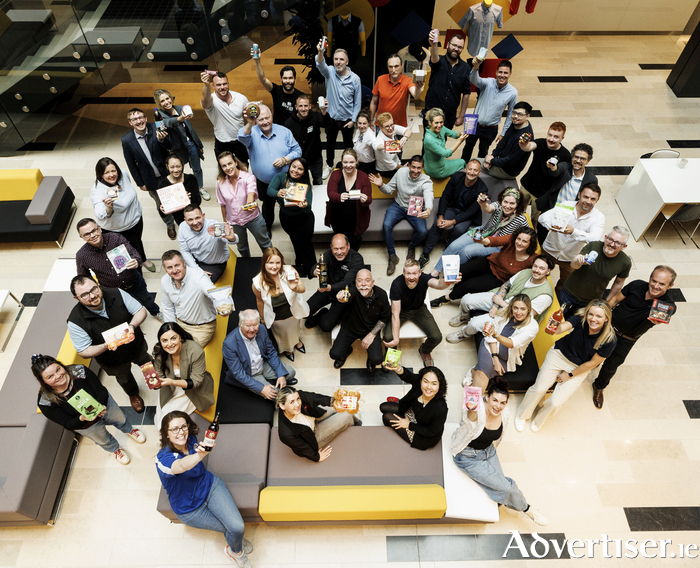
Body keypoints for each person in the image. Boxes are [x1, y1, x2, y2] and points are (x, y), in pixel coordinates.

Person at [155, 411, 254, 567]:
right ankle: (236, 551)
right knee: (232, 529)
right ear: (166, 434)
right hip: (190, 509)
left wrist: (200, 450)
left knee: (237, 527)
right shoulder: (162, 459)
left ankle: (235, 545)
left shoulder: (191, 440)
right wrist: (202, 454)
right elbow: (181, 466)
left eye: (183, 426)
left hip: (210, 486)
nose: (181, 432)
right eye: (174, 429)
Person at [451, 377, 548, 526]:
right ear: (487, 397)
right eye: (495, 400)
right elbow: (470, 418)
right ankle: (529, 510)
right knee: (507, 487)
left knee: (501, 485)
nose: (498, 406)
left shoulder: (505, 413)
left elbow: (497, 436)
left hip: (489, 451)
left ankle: (503, 498)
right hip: (468, 456)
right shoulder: (477, 410)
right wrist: (473, 399)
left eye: (503, 402)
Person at [515, 299, 616, 432]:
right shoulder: (581, 319)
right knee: (539, 388)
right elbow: (561, 329)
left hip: (580, 367)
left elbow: (592, 363)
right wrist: (555, 325)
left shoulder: (609, 339)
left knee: (556, 402)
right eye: (591, 314)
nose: (593, 319)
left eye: (598, 316)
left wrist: (569, 374)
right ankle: (522, 415)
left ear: (606, 319)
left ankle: (539, 419)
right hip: (560, 354)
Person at [32, 354, 146, 465]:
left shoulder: (79, 371)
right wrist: (82, 418)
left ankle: (130, 430)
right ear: (43, 381)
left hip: (104, 405)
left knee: (119, 418)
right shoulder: (45, 402)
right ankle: (115, 449)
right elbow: (67, 423)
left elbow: (100, 390)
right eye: (50, 377)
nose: (58, 376)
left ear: (61, 365)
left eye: (58, 369)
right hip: (85, 424)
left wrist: (99, 406)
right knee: (102, 439)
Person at [591, 266, 677, 409]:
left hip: (627, 339)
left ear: (670, 286)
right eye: (654, 281)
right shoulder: (637, 285)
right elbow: (615, 300)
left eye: (662, 284)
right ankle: (592, 363)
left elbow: (661, 317)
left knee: (612, 366)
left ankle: (599, 386)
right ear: (649, 278)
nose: (656, 286)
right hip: (609, 328)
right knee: (591, 349)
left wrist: (656, 321)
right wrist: (601, 317)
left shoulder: (667, 305)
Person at [67, 275, 150, 413]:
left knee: (147, 363)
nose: (92, 296)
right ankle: (133, 394)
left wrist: (132, 326)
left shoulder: (116, 293)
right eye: (85, 295)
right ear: (77, 298)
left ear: (98, 284)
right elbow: (83, 351)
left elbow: (140, 311)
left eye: (93, 289)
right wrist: (106, 345)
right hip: (112, 359)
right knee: (124, 379)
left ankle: (153, 379)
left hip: (136, 346)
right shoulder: (75, 321)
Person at [447, 256, 555, 341]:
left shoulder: (545, 295)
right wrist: (495, 306)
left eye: (542, 268)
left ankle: (464, 334)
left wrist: (501, 304)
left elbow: (524, 316)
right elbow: (505, 286)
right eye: (535, 266)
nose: (536, 270)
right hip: (502, 299)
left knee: (474, 323)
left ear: (548, 271)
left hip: (510, 317)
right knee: (466, 299)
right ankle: (464, 316)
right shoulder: (526, 272)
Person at [430, 187, 529, 277]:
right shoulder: (498, 205)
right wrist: (483, 204)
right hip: (482, 231)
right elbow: (488, 209)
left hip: (495, 245)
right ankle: (436, 270)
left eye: (512, 203)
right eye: (505, 202)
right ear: (502, 200)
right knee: (453, 246)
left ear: (517, 204)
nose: (507, 206)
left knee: (465, 251)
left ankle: (453, 273)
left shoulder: (521, 219)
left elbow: (528, 235)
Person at [435, 226, 538, 310]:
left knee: (469, 285)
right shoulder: (511, 240)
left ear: (530, 244)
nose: (519, 243)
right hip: (490, 262)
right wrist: (483, 241)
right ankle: (456, 289)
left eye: (524, 241)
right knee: (462, 270)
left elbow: (542, 269)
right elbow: (495, 241)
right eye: (518, 239)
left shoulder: (532, 260)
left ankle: (446, 298)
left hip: (499, 278)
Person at [75, 218, 160, 317]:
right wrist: (95, 288)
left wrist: (136, 261)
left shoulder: (115, 238)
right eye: (87, 234)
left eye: (94, 230)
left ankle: (156, 313)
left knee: (146, 299)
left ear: (99, 228)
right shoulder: (82, 255)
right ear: (82, 237)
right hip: (113, 291)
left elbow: (134, 253)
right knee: (123, 307)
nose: (92, 235)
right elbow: (83, 278)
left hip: (134, 281)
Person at [239, 104, 302, 234]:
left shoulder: (284, 131)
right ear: (256, 120)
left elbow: (297, 150)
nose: (265, 122)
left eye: (267, 118)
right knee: (268, 206)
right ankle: (267, 226)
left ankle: (292, 225)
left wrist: (285, 159)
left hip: (285, 179)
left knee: (289, 202)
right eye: (260, 120)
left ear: (272, 116)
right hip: (264, 181)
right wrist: (250, 123)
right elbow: (241, 137)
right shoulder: (251, 133)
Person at [384, 259, 457, 367]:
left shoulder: (424, 278)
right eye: (408, 273)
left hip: (419, 310)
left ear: (419, 273)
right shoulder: (396, 284)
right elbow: (395, 314)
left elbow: (438, 284)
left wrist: (448, 281)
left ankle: (424, 350)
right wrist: (395, 339)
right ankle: (391, 357)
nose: (411, 277)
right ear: (403, 273)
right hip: (402, 311)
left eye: (414, 273)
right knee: (388, 336)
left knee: (436, 337)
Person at [370, 156, 433, 275]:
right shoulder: (400, 172)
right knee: (386, 225)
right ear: (408, 165)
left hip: (415, 206)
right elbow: (389, 190)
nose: (415, 170)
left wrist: (428, 209)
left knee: (423, 231)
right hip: (398, 205)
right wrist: (381, 185)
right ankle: (392, 255)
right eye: (413, 167)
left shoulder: (426, 180)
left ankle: (411, 246)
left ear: (423, 168)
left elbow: (429, 194)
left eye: (419, 168)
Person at [89, 157, 155, 271]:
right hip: (120, 228)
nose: (111, 175)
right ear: (101, 175)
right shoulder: (97, 191)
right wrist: (108, 208)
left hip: (136, 219)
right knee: (130, 250)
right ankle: (137, 270)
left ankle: (143, 259)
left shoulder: (123, 174)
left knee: (138, 240)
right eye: (107, 172)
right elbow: (99, 214)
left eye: (113, 170)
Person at [538, 183, 605, 293]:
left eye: (593, 199)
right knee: (539, 274)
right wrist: (552, 225)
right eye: (586, 197)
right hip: (550, 250)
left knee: (566, 284)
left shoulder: (599, 217)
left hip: (571, 258)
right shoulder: (566, 205)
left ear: (597, 200)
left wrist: (574, 231)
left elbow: (594, 239)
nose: (588, 201)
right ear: (579, 195)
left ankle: (557, 300)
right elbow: (542, 218)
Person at [121, 107, 177, 240]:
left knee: (176, 197)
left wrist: (163, 139)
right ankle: (170, 224)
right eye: (135, 119)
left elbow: (170, 146)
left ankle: (182, 218)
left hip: (168, 174)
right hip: (151, 180)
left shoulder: (158, 126)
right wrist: (140, 183)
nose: (139, 121)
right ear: (130, 122)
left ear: (146, 118)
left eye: (141, 117)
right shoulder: (126, 140)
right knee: (161, 204)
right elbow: (131, 164)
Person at [464, 296, 540, 391]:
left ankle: (473, 371)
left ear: (528, 310)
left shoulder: (532, 326)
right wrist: (495, 359)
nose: (518, 312)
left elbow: (512, 343)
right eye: (515, 308)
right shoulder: (503, 312)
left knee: (481, 372)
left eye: (523, 309)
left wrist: (495, 334)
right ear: (511, 307)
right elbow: (491, 337)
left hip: (507, 359)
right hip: (490, 348)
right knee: (482, 374)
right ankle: (472, 404)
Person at [420, 159, 486, 268]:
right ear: (466, 169)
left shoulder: (482, 189)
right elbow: (445, 196)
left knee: (459, 229)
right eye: (470, 169)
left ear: (479, 173)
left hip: (466, 213)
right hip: (453, 207)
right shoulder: (456, 177)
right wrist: (441, 216)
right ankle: (425, 254)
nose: (472, 172)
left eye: (475, 170)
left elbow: (472, 211)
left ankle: (448, 249)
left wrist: (453, 222)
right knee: (438, 224)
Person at [222, 309, 298, 401]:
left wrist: (281, 374)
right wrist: (262, 388)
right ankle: (271, 386)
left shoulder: (261, 329)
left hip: (262, 364)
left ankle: (277, 382)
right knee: (278, 396)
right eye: (248, 325)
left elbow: (271, 352)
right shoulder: (229, 344)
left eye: (255, 325)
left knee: (290, 372)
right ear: (240, 325)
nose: (252, 329)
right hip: (249, 374)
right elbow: (238, 374)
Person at [152, 322, 215, 428]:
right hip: (169, 387)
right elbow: (160, 375)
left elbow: (196, 382)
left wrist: (171, 381)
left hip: (191, 389)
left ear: (180, 337)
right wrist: (155, 382)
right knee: (161, 421)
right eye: (164, 340)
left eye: (173, 338)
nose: (169, 344)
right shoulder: (159, 351)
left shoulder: (195, 350)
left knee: (166, 423)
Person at [559, 227, 632, 317]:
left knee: (569, 322)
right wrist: (579, 261)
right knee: (553, 318)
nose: (612, 244)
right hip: (568, 293)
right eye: (611, 239)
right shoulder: (593, 246)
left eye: (617, 243)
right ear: (605, 238)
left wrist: (606, 301)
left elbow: (618, 283)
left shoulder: (625, 262)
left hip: (590, 301)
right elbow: (572, 265)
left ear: (624, 246)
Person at [252, 247, 309, 362]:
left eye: (278, 262)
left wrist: (295, 287)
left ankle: (297, 341)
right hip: (277, 317)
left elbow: (302, 289)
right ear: (264, 263)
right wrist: (262, 318)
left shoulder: (289, 271)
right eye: (270, 263)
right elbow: (260, 301)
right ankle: (288, 349)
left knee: (295, 329)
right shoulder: (257, 282)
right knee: (282, 335)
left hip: (294, 311)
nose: (275, 266)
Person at [534, 143, 597, 244]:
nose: (578, 161)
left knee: (560, 241)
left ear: (588, 161)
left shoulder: (591, 179)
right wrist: (553, 168)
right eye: (576, 157)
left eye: (582, 158)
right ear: (572, 157)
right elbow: (557, 170)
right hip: (551, 208)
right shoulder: (565, 167)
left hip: (570, 215)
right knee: (541, 234)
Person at [276, 386, 359, 463]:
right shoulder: (285, 434)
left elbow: (314, 398)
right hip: (314, 437)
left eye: (298, 399)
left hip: (314, 417)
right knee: (346, 415)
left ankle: (355, 421)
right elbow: (302, 448)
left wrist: (332, 401)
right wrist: (317, 457)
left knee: (342, 406)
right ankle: (354, 423)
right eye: (292, 402)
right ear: (282, 406)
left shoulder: (298, 396)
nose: (297, 404)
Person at [153, 88, 209, 201]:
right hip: (177, 149)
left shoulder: (179, 108)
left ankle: (199, 187)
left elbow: (191, 129)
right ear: (159, 104)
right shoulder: (159, 116)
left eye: (167, 98)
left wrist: (199, 144)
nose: (166, 102)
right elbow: (168, 123)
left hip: (191, 144)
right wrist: (180, 118)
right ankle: (180, 190)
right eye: (162, 101)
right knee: (178, 171)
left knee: (197, 168)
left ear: (171, 98)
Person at [316, 41, 361, 177]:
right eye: (336, 59)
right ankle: (329, 165)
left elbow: (357, 103)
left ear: (347, 61)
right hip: (331, 118)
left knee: (348, 146)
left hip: (348, 120)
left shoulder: (355, 79)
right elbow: (320, 64)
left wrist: (353, 120)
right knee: (330, 145)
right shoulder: (329, 72)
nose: (338, 62)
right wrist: (320, 51)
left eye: (341, 59)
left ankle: (350, 167)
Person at [330, 269, 391, 371]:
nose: (363, 284)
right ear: (356, 283)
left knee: (377, 359)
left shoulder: (382, 295)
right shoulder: (353, 291)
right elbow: (348, 295)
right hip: (349, 328)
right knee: (334, 354)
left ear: (372, 283)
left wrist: (371, 334)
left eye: (367, 280)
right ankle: (347, 350)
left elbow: (384, 317)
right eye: (360, 281)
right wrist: (341, 297)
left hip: (370, 329)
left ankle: (370, 359)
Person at [160, 250, 223, 347]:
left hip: (202, 327)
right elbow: (167, 307)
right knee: (166, 348)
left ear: (184, 263)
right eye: (169, 267)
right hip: (179, 323)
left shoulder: (198, 276)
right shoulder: (165, 281)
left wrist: (223, 304)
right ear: (165, 269)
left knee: (186, 352)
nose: (174, 270)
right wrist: (171, 330)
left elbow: (212, 292)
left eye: (177, 265)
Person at [379, 362, 448, 450]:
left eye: (434, 384)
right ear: (421, 380)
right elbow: (408, 376)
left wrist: (408, 425)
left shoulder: (441, 408)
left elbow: (430, 432)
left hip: (421, 434)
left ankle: (400, 422)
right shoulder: (419, 385)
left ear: (439, 386)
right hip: (414, 412)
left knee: (386, 417)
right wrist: (397, 367)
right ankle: (402, 412)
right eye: (425, 381)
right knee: (383, 407)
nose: (429, 387)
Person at [216, 151, 272, 257]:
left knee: (265, 243)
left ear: (236, 162)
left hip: (253, 218)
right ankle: (247, 266)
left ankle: (271, 262)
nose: (228, 168)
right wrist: (225, 222)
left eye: (230, 163)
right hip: (234, 222)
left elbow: (251, 192)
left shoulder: (248, 177)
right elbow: (222, 204)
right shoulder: (220, 182)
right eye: (224, 166)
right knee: (242, 247)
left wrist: (249, 203)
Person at [267, 158, 316, 277]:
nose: (295, 170)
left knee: (306, 244)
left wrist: (304, 205)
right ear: (289, 166)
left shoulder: (306, 185)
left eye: (300, 169)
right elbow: (270, 190)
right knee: (295, 241)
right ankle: (299, 261)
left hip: (304, 219)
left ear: (304, 172)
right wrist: (277, 193)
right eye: (293, 166)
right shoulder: (280, 177)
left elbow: (308, 208)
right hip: (287, 219)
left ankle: (312, 269)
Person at [461, 59, 518, 162]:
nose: (502, 75)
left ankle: (478, 173)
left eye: (505, 73)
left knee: (483, 152)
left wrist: (503, 133)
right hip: (473, 122)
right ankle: (461, 171)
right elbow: (474, 79)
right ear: (496, 72)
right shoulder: (487, 82)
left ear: (510, 74)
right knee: (466, 149)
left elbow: (511, 114)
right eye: (500, 72)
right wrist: (475, 67)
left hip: (491, 129)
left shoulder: (513, 92)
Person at [305, 234, 365, 332]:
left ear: (348, 246)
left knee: (326, 326)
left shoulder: (357, 259)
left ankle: (321, 315)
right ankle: (324, 312)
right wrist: (314, 271)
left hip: (343, 295)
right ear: (331, 247)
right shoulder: (328, 254)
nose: (339, 252)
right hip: (327, 291)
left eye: (342, 248)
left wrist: (329, 287)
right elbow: (315, 267)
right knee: (305, 311)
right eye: (336, 249)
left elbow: (347, 282)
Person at [424, 29, 472, 131]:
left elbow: (466, 93)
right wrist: (433, 44)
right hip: (431, 114)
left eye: (459, 47)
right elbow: (434, 58)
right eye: (454, 45)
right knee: (427, 142)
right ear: (448, 44)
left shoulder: (465, 67)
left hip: (448, 117)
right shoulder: (439, 61)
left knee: (442, 143)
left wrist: (461, 116)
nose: (456, 49)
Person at [326, 148, 373, 251]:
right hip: (337, 218)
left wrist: (365, 199)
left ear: (357, 161)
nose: (348, 165)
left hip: (357, 220)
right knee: (340, 243)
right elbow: (330, 193)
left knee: (355, 242)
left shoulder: (363, 176)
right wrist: (339, 197)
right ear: (341, 162)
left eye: (351, 162)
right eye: (345, 162)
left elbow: (369, 199)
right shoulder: (335, 174)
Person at [518, 121, 571, 211]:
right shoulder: (541, 143)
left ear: (562, 138)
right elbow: (529, 147)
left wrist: (553, 169)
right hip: (527, 185)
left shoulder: (565, 155)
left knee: (536, 218)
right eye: (550, 135)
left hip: (542, 193)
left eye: (556, 137)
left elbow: (564, 175)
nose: (551, 139)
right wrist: (523, 144)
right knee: (518, 210)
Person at [178, 204, 237, 284]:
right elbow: (185, 251)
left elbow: (233, 239)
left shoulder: (213, 226)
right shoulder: (182, 227)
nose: (195, 222)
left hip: (215, 264)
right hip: (196, 261)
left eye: (197, 218)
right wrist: (196, 270)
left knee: (201, 285)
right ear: (185, 220)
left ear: (203, 216)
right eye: (190, 220)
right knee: (181, 281)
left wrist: (232, 238)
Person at [200, 70, 249, 164]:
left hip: (240, 140)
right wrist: (206, 85)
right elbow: (205, 100)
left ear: (228, 83)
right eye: (218, 85)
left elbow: (249, 118)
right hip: (222, 142)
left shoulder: (240, 98)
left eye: (224, 84)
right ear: (213, 86)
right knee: (225, 171)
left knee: (243, 168)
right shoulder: (211, 100)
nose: (222, 87)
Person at [482, 101, 534, 180]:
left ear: (527, 116)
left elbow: (511, 161)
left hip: (507, 170)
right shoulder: (515, 124)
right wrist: (492, 155)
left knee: (475, 166)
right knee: (475, 163)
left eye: (519, 114)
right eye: (514, 113)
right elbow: (503, 142)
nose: (515, 116)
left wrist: (492, 161)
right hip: (500, 161)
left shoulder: (525, 137)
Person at [369, 53, 423, 127]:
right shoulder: (380, 79)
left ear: (402, 65)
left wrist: (418, 88)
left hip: (399, 126)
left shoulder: (407, 81)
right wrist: (371, 121)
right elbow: (373, 102)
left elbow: (416, 96)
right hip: (382, 124)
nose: (393, 70)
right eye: (390, 67)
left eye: (396, 66)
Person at [285, 94, 328, 185]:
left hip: (315, 158)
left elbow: (327, 124)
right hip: (299, 159)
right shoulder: (289, 123)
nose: (303, 109)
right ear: (296, 107)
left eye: (305, 106)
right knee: (301, 184)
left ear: (310, 106)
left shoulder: (316, 116)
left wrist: (324, 112)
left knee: (318, 181)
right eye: (300, 106)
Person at [252, 50, 302, 125]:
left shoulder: (300, 96)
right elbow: (263, 79)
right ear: (281, 79)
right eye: (285, 78)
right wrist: (257, 61)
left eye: (290, 78)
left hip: (293, 132)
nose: (288, 81)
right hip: (277, 130)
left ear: (295, 79)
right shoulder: (276, 90)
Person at [157, 152, 202, 227]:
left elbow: (198, 201)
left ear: (182, 166)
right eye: (172, 167)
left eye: (178, 166)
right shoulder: (163, 184)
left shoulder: (191, 179)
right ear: (167, 167)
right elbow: (163, 213)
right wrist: (162, 209)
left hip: (194, 215)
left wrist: (190, 199)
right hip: (179, 218)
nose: (175, 170)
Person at [423, 107, 468, 179]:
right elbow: (446, 154)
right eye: (436, 123)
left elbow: (453, 134)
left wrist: (463, 133)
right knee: (462, 162)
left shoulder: (441, 128)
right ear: (429, 122)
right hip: (436, 170)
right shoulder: (429, 139)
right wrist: (460, 141)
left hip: (438, 162)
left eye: (441, 122)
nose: (439, 125)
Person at [373, 112, 412, 177]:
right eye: (387, 126)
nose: (391, 128)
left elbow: (408, 130)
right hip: (386, 170)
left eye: (392, 124)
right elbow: (391, 165)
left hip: (396, 160)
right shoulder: (380, 142)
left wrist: (405, 137)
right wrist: (403, 168)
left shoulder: (391, 127)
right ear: (380, 128)